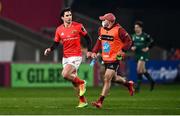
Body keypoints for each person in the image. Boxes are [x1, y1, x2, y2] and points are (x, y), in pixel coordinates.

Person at [44, 7, 92, 108]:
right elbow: (56, 43)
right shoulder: (59, 29)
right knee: (74, 82)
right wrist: (50, 49)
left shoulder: (78, 26)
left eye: (70, 15)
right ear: (62, 18)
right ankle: (83, 101)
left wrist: (89, 50)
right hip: (65, 57)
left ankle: (82, 82)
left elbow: (88, 39)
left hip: (76, 56)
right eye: (67, 15)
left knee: (65, 74)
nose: (69, 17)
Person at [91, 13, 134, 108]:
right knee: (113, 78)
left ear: (109, 21)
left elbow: (129, 41)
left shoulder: (119, 30)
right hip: (105, 58)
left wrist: (123, 50)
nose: (102, 21)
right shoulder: (101, 29)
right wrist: (94, 51)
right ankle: (128, 84)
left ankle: (100, 101)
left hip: (115, 58)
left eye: (104, 20)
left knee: (107, 78)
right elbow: (99, 41)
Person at [131, 21, 155, 92]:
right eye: (135, 27)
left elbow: (152, 42)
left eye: (137, 27)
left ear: (141, 28)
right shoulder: (133, 36)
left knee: (138, 69)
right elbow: (131, 44)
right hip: (137, 54)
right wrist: (132, 47)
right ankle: (152, 81)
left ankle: (137, 87)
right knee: (143, 70)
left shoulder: (145, 36)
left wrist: (147, 48)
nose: (136, 29)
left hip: (143, 54)